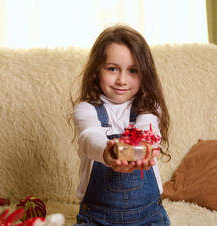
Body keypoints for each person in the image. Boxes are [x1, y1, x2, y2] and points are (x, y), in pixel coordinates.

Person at [71, 25, 171, 225]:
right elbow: (90, 137)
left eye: (133, 70)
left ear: (145, 74)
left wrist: (141, 148)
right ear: (97, 70)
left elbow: (147, 129)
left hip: (149, 217)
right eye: (112, 69)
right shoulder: (85, 109)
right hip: (97, 217)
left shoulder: (150, 108)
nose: (121, 80)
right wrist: (109, 153)